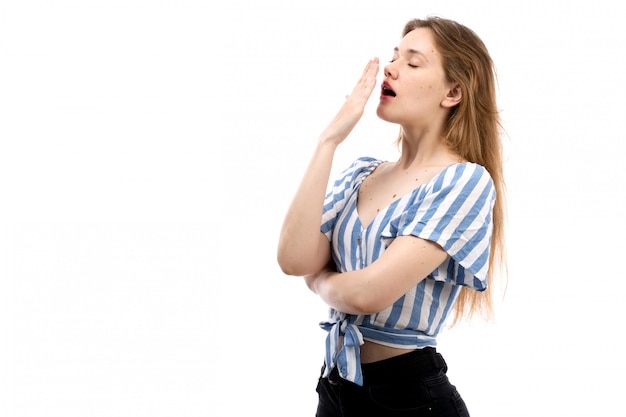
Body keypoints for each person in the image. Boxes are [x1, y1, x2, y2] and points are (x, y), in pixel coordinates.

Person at [277, 15, 506, 417]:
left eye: (413, 62)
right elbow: (293, 259)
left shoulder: (464, 182)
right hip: (335, 387)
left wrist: (320, 282)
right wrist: (328, 141)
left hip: (410, 398)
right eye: (395, 56)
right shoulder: (362, 172)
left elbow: (368, 294)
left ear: (453, 92)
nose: (390, 66)